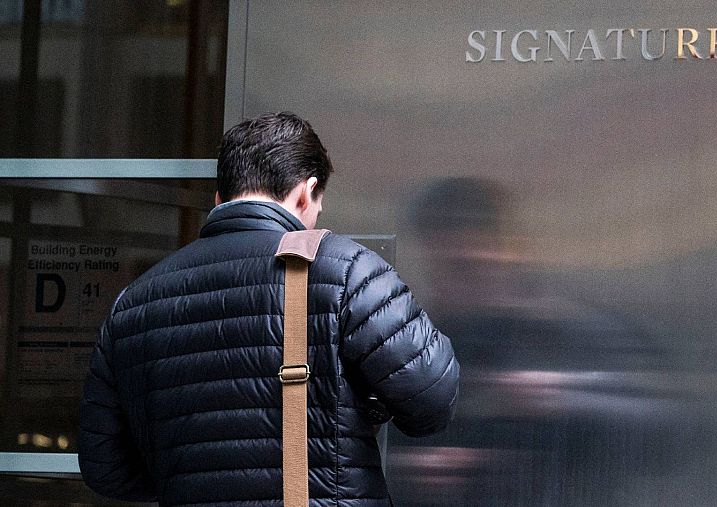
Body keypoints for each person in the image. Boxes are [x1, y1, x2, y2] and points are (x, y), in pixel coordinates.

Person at [77, 112, 460, 506]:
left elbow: (106, 469)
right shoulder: (345, 270)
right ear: (306, 193)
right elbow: (433, 399)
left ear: (219, 198)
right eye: (317, 208)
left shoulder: (133, 302)